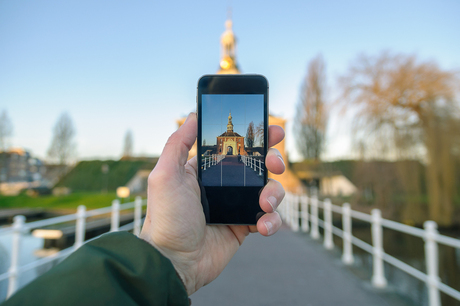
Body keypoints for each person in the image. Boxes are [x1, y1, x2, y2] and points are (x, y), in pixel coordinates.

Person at [3, 113, 286, 305]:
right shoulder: (224, 147)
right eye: (229, 142)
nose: (229, 143)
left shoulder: (231, 144)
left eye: (231, 143)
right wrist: (169, 258)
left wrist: (168, 260)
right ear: (228, 140)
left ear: (232, 141)